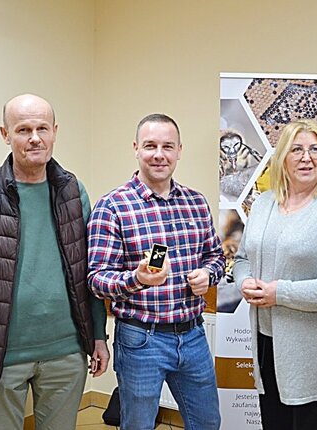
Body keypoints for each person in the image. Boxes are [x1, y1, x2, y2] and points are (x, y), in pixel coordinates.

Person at [0, 93, 109, 430]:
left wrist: (98, 335)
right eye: (23, 130)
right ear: (5, 134)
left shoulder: (74, 192)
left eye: (42, 128)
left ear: (55, 131)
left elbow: (86, 272)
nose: (34, 138)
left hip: (66, 354)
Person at [87, 113, 225, 430]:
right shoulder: (113, 206)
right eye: (150, 146)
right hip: (140, 339)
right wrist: (136, 279)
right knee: (138, 425)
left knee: (208, 422)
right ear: (136, 148)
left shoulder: (196, 202)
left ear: (179, 151)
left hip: (193, 335)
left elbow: (216, 256)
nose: (159, 154)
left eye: (167, 146)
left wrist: (209, 274)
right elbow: (96, 279)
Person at [233, 119, 317, 430]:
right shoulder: (263, 203)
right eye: (297, 149)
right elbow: (242, 258)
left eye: (315, 149)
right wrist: (244, 281)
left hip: (315, 355)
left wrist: (281, 293)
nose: (307, 158)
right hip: (267, 345)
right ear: (282, 157)